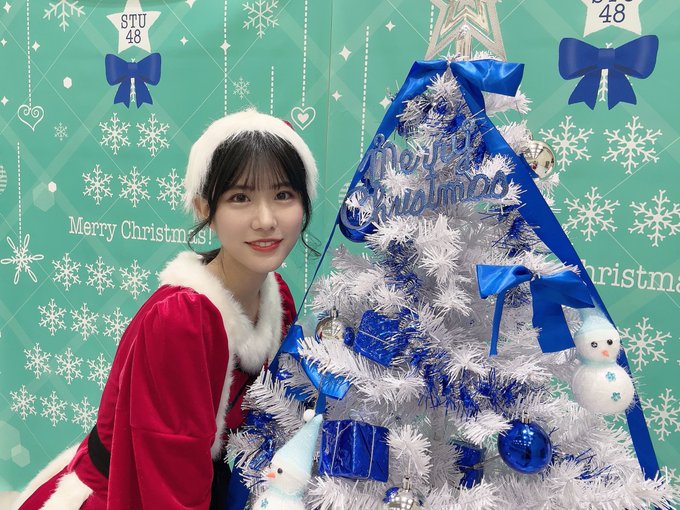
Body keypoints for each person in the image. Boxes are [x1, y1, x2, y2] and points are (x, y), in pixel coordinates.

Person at [13, 108, 318, 510]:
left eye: (282, 195)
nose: (266, 220)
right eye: (240, 198)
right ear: (205, 209)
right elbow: (169, 488)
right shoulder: (183, 320)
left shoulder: (276, 295)